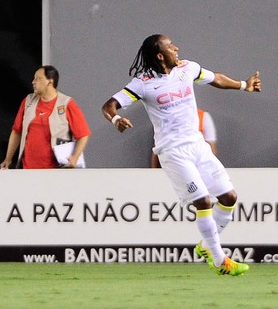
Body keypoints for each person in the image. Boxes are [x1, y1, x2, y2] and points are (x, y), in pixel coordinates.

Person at [101, 34, 261, 276]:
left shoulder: (188, 68)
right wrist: (116, 119)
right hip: (172, 151)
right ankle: (220, 261)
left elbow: (215, 78)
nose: (176, 48)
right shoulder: (143, 83)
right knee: (203, 201)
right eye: (170, 46)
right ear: (160, 55)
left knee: (229, 197)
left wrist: (243, 84)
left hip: (197, 144)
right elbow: (109, 105)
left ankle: (207, 246)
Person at [0, 65, 90, 169]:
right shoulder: (28, 101)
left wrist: (75, 158)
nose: (33, 82)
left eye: (38, 78)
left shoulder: (67, 104)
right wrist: (8, 158)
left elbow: (83, 134)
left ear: (50, 81)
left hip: (56, 170)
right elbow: (16, 131)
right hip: (28, 169)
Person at [151, 108, 217, 168]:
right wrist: (156, 172)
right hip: (172, 164)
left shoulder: (203, 116)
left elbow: (211, 147)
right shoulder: (166, 118)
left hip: (198, 164)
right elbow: (158, 149)